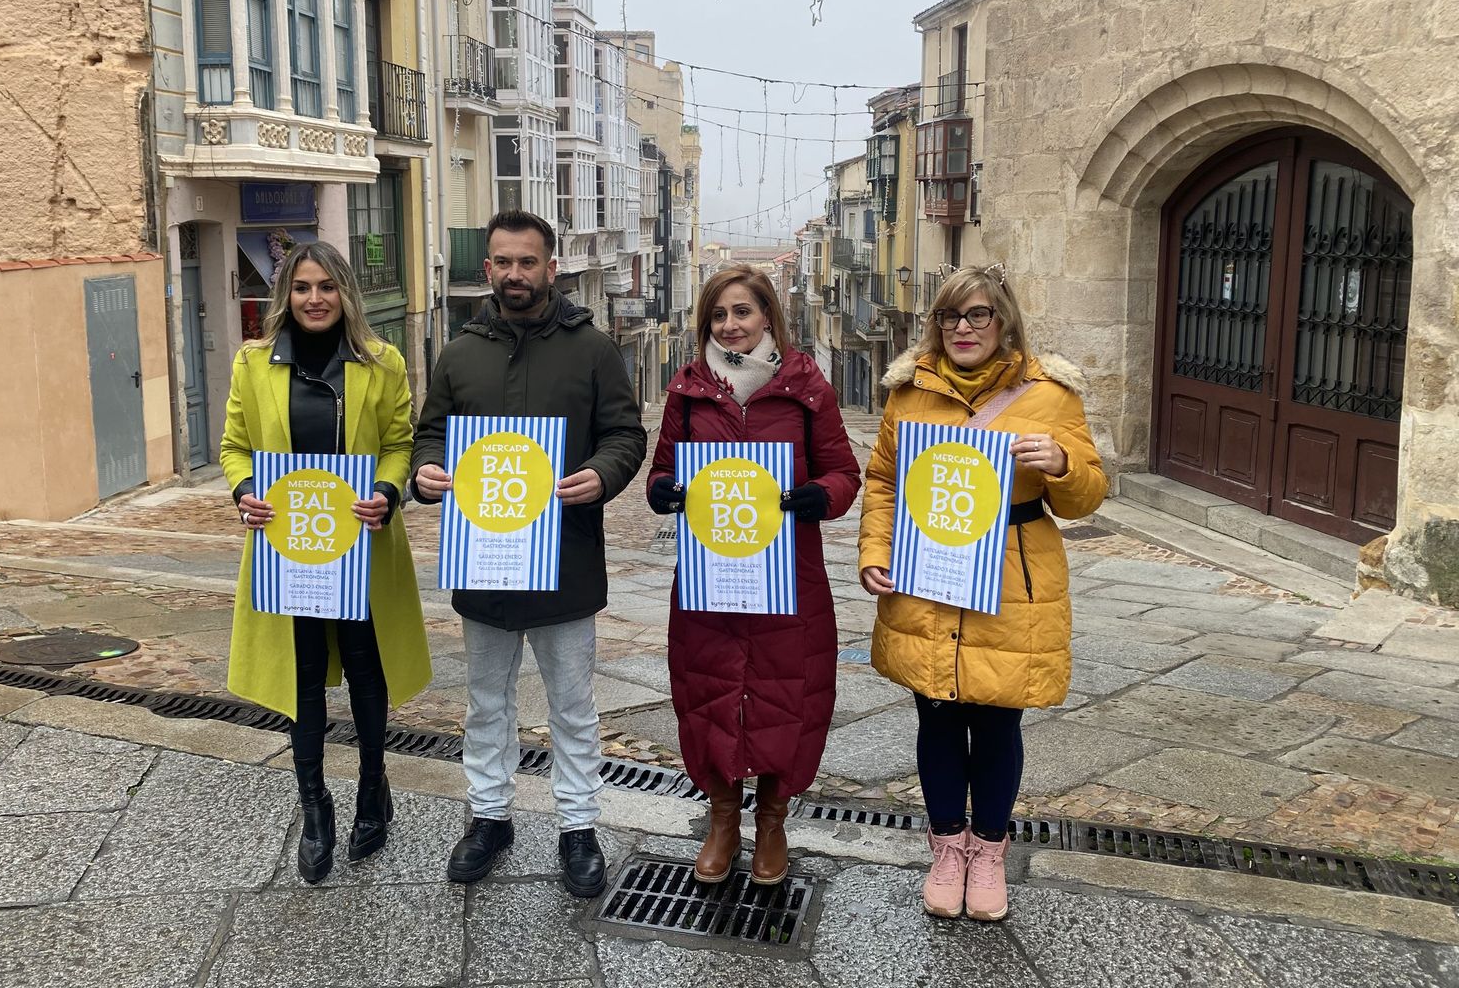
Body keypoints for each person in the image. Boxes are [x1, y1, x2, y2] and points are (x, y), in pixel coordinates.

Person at [858, 265, 1107, 923]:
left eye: (977, 316)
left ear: (1004, 321)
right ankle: (947, 850)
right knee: (936, 715)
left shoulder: (1050, 394)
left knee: (999, 719)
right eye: (950, 316)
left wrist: (1061, 466)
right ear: (935, 324)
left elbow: (1087, 496)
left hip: (1011, 578)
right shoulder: (910, 393)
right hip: (930, 570)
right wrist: (875, 551)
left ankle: (988, 853)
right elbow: (883, 479)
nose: (963, 329)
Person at [409, 209, 647, 898]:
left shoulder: (594, 349)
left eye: (528, 261)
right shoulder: (458, 354)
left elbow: (625, 435)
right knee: (486, 702)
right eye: (503, 262)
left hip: (565, 560)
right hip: (484, 561)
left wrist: (603, 475)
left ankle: (578, 827)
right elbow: (431, 436)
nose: (515, 273)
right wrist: (427, 473)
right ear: (488, 268)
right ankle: (489, 818)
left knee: (572, 704)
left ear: (552, 266)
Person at [220, 241, 432, 884]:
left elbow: (399, 442)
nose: (315, 299)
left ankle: (374, 787)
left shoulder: (382, 361)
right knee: (302, 674)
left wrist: (389, 493)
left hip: (362, 544)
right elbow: (234, 447)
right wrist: (242, 492)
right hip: (289, 549)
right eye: (303, 287)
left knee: (368, 669)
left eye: (327, 287)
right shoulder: (253, 362)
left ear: (346, 293)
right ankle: (315, 807)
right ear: (287, 295)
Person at [645, 265, 861, 886]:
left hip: (786, 574)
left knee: (784, 692)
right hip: (710, 576)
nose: (731, 325)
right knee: (709, 690)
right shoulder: (687, 392)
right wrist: (667, 492)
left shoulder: (805, 387)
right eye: (719, 315)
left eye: (742, 312)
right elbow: (663, 471)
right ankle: (721, 817)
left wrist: (819, 496)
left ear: (768, 316)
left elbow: (843, 473)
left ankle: (771, 819)